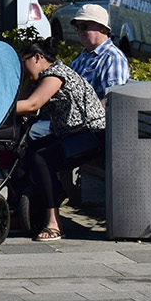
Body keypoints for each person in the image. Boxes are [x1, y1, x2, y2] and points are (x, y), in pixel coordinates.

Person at [14, 38, 106, 242]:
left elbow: (31, 104)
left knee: (41, 158)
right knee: (23, 151)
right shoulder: (42, 77)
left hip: (90, 135)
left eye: (24, 62)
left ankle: (54, 222)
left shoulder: (56, 74)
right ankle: (21, 212)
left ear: (38, 57)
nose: (23, 69)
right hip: (71, 135)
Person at [67, 4, 130, 103]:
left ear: (101, 27)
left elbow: (113, 98)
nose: (79, 31)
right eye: (77, 27)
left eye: (84, 26)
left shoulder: (112, 57)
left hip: (92, 117)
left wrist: (90, 115)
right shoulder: (82, 55)